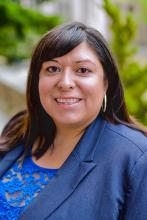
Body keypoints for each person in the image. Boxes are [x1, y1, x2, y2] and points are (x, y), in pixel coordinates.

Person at [0, 21, 147, 220]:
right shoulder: (19, 128)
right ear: (36, 80)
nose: (65, 83)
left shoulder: (135, 157)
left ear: (106, 82)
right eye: (52, 69)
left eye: (83, 70)